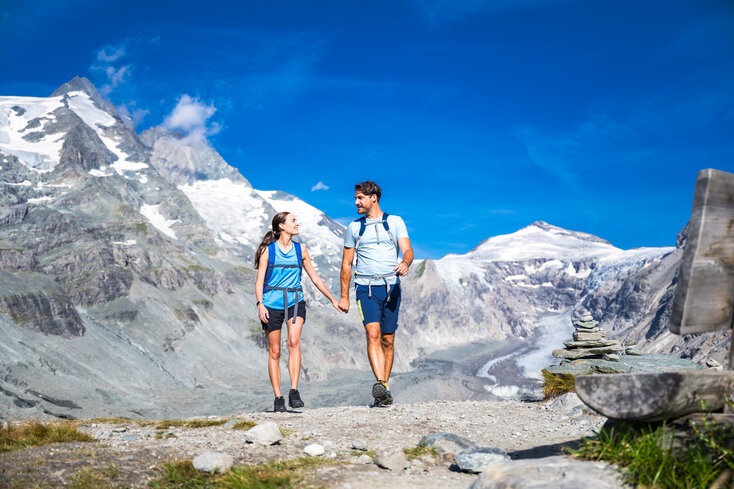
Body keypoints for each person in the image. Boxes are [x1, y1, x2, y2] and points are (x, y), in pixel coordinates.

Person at [338, 181, 414, 407]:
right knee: (373, 333)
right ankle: (380, 384)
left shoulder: (395, 222)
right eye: (355, 198)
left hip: (391, 287)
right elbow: (346, 263)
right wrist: (344, 296)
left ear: (374, 198)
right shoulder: (354, 228)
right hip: (365, 288)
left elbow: (408, 250)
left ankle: (385, 388)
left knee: (388, 339)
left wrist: (406, 263)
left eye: (359, 198)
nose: (356, 202)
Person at [255, 211, 339, 412]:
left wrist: (333, 299)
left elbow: (315, 278)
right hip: (271, 303)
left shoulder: (301, 250)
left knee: (294, 342)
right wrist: (260, 304)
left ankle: (294, 391)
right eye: (293, 221)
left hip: (295, 301)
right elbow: (259, 281)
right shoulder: (268, 251)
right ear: (282, 226)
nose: (298, 223)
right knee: (275, 351)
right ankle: (278, 397)